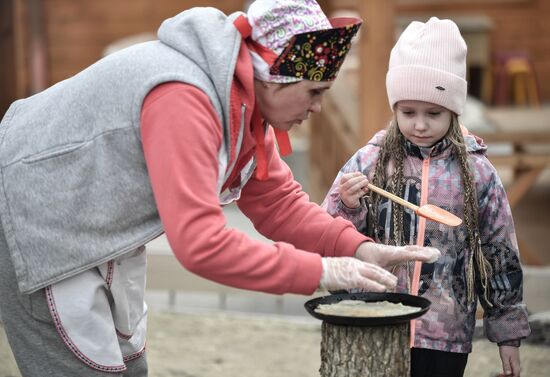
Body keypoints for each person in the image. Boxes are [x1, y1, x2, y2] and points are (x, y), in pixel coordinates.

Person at [0, 1, 440, 376]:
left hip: (99, 223)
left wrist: (357, 249)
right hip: (38, 217)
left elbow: (277, 205)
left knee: (128, 363)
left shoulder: (245, 107)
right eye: (313, 91)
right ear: (273, 76)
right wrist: (320, 271)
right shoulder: (184, 97)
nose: (318, 108)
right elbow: (200, 244)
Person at [322, 17, 531, 377]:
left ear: (454, 109)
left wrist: (507, 334)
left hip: (446, 333)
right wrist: (349, 205)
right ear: (394, 108)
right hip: (377, 317)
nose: (420, 124)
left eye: (433, 113)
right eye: (408, 112)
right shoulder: (371, 161)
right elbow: (328, 233)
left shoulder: (478, 173)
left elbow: (499, 254)